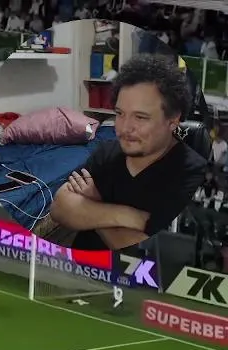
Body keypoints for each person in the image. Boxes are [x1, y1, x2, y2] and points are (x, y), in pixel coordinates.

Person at [47, 55, 207, 250]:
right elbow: (60, 207)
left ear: (172, 121)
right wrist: (128, 216)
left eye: (140, 117)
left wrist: (95, 204)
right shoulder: (107, 152)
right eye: (120, 113)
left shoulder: (192, 173)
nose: (124, 128)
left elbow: (143, 248)